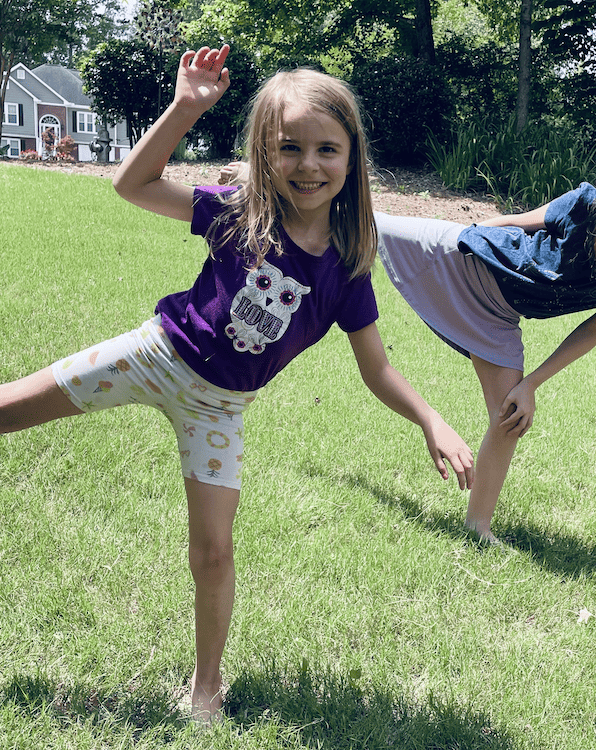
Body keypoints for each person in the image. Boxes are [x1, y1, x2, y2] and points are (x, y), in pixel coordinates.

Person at [0, 45, 474, 724]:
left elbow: (378, 369)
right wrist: (185, 107)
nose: (308, 165)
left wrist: (431, 418)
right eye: (289, 148)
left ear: (352, 158)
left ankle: (206, 689)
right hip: (153, 354)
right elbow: (132, 185)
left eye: (326, 149)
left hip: (219, 409)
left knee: (214, 551)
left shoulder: (347, 266)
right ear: (263, 151)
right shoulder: (238, 211)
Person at [373, 128, 596, 545]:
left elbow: (592, 330)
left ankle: (478, 529)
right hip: (466, 260)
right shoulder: (587, 205)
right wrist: (463, 233)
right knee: (361, 221)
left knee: (509, 419)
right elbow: (514, 222)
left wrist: (531, 384)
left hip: (496, 317)